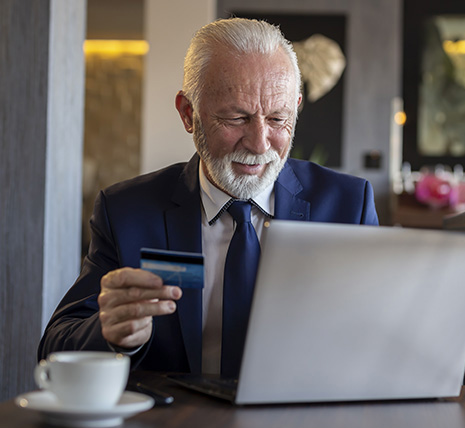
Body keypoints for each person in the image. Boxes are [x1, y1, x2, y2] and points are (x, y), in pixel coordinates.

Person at [38, 18, 379, 376]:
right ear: (189, 114)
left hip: (299, 426)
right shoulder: (127, 213)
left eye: (278, 118)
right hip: (173, 427)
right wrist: (111, 334)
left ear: (295, 107)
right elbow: (54, 348)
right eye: (236, 118)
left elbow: (384, 340)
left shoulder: (347, 206)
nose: (260, 143)